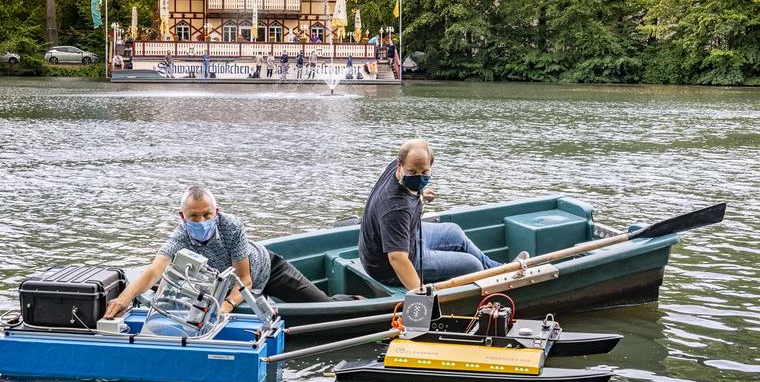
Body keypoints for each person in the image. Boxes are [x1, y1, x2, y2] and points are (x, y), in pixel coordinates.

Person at [104, 184, 332, 319]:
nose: (201, 220)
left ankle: (354, 299)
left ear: (216, 211)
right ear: (182, 216)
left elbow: (245, 279)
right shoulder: (181, 234)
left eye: (207, 214)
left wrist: (225, 307)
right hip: (226, 284)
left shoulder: (231, 225)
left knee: (323, 306)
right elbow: (156, 269)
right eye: (193, 216)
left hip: (268, 270)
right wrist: (124, 298)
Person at [358, 139, 500, 290]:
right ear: (400, 165)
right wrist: (421, 296)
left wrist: (418, 195)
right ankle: (492, 282)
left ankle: (498, 269)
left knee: (454, 232)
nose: (419, 177)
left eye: (424, 172)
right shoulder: (396, 209)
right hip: (387, 268)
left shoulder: (396, 169)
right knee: (473, 265)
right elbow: (397, 259)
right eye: (412, 172)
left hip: (409, 237)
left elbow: (406, 188)